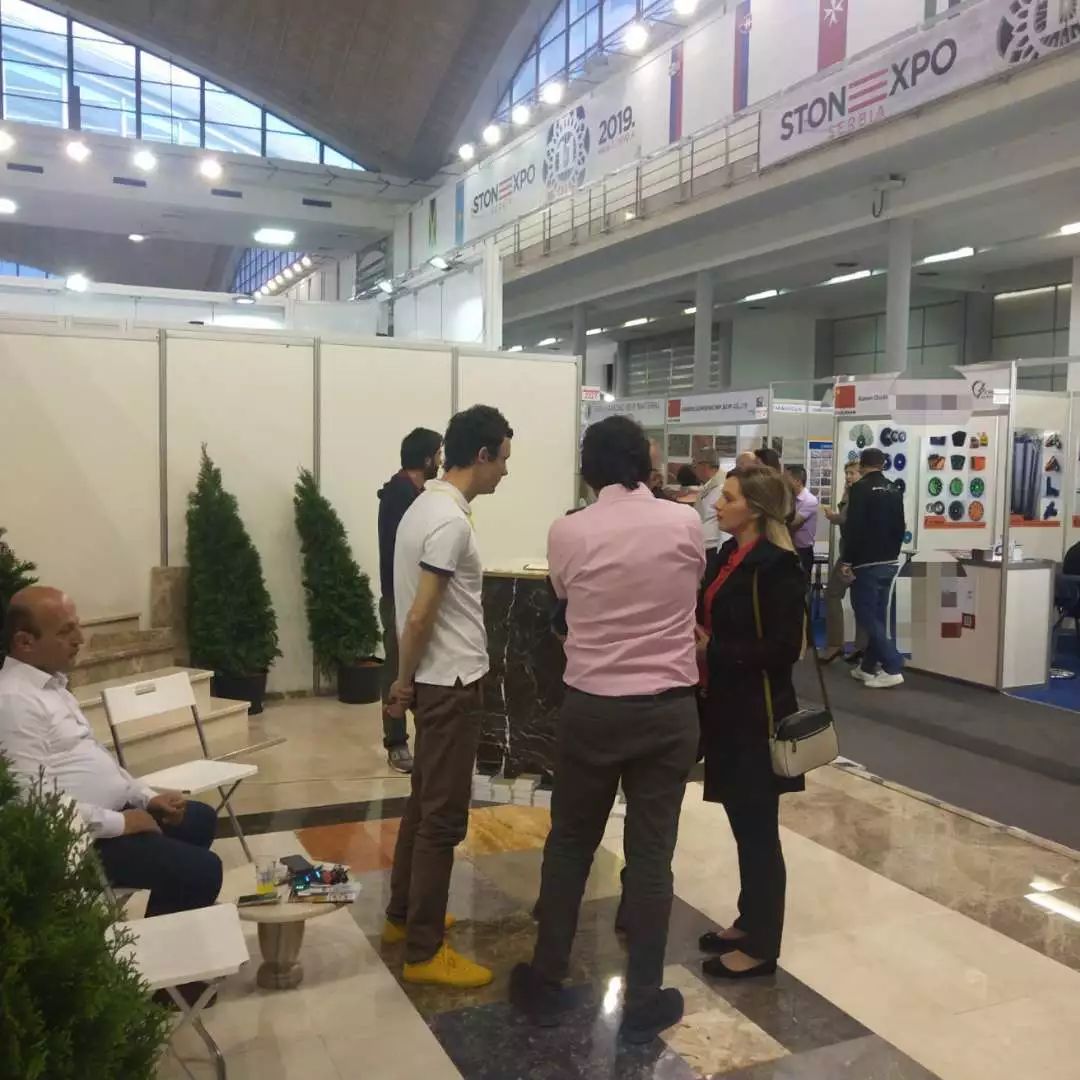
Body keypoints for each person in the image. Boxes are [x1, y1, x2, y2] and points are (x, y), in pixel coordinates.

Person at [511, 416, 703, 1044]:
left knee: (571, 842)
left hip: (593, 708)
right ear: (645, 464)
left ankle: (546, 980)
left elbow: (564, 598)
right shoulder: (684, 523)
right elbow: (688, 590)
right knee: (652, 854)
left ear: (588, 468)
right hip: (669, 710)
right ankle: (644, 997)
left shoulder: (568, 530)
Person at [384, 404, 513, 989]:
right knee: (442, 819)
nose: (505, 471)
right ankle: (424, 950)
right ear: (481, 455)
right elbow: (419, 615)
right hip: (450, 683)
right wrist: (402, 681)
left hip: (435, 680)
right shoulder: (450, 522)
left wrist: (407, 681)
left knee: (422, 804)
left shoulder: (423, 506)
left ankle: (403, 916)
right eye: (503, 458)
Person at [0, 586, 222, 918]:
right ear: (25, 642)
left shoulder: (51, 685)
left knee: (199, 819)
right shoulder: (13, 702)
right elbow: (33, 804)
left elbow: (96, 757)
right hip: (80, 841)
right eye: (65, 631)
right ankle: (160, 942)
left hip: (108, 817)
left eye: (77, 625)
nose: (80, 638)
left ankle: (167, 920)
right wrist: (122, 823)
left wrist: (146, 797)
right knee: (203, 870)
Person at [698, 467, 806, 979]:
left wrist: (713, 649)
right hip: (725, 707)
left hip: (757, 715)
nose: (718, 505)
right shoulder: (726, 555)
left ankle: (763, 946)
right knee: (744, 824)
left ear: (756, 510)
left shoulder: (777, 566)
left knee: (759, 830)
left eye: (729, 498)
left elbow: (784, 648)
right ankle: (749, 919)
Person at [377, 427, 444, 774]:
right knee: (397, 669)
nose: (442, 461)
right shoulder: (400, 494)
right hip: (399, 598)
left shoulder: (413, 492)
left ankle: (422, 741)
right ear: (427, 458)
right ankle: (396, 742)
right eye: (439, 454)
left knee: (414, 667)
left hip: (411, 595)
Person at [840, 448, 906, 689]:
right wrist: (893, 553)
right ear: (883, 464)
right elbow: (901, 526)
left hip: (866, 562)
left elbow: (854, 527)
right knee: (878, 615)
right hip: (889, 561)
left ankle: (892, 664)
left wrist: (847, 561)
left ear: (862, 465)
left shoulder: (860, 489)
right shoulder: (894, 489)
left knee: (865, 614)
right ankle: (867, 667)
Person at [820, 462, 868, 664]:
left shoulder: (858, 496)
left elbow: (848, 521)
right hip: (857, 554)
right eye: (846, 473)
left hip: (851, 556)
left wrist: (834, 517)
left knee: (832, 593)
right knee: (858, 600)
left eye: (852, 473)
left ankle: (835, 644)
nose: (848, 477)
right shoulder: (853, 494)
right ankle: (860, 647)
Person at [785, 464, 819, 581]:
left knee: (802, 585)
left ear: (797, 481)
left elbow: (793, 524)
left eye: (786, 479)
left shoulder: (809, 500)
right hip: (788, 548)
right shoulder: (789, 498)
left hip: (802, 551)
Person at [695, 450, 730, 562]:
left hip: (714, 551)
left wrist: (722, 554)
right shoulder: (709, 486)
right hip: (705, 549)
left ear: (704, 466)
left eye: (695, 466)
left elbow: (725, 522)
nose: (694, 470)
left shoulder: (722, 487)